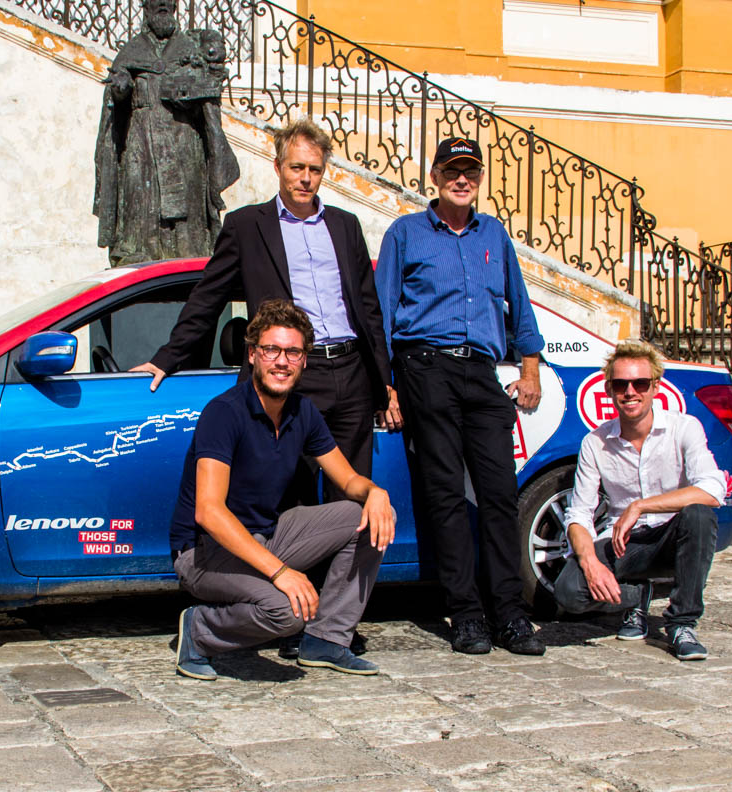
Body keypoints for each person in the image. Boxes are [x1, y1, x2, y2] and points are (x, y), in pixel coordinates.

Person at [133, 117, 395, 494]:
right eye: (297, 168)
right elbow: (209, 295)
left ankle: (345, 556)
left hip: (352, 373)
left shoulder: (345, 225)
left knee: (353, 497)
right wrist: (168, 356)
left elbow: (369, 309)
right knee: (291, 496)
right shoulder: (246, 226)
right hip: (294, 372)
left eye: (315, 169)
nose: (306, 178)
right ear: (277, 167)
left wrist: (382, 381)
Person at [375, 136, 546, 656]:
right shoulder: (406, 233)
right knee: (445, 494)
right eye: (453, 170)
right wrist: (385, 384)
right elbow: (380, 311)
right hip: (425, 367)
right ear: (435, 176)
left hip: (483, 372)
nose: (462, 178)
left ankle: (510, 614)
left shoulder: (493, 233)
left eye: (470, 170)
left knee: (499, 495)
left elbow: (519, 303)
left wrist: (531, 366)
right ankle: (467, 614)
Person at [170, 300, 394, 680]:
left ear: (305, 361)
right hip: (204, 552)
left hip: (266, 537)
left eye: (293, 352)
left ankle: (327, 639)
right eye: (271, 350)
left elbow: (348, 480)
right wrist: (280, 573)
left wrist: (376, 493)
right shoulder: (224, 412)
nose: (282, 361)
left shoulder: (302, 411)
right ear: (254, 355)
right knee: (289, 611)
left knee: (365, 515)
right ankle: (199, 631)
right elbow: (208, 511)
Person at [554, 341, 725, 660]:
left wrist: (640, 506)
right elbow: (578, 514)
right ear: (609, 389)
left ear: (655, 387)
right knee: (569, 593)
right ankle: (635, 596)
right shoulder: (596, 442)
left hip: (670, 540)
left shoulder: (683, 428)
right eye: (621, 384)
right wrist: (591, 564)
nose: (630, 392)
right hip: (624, 545)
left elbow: (713, 489)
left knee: (700, 514)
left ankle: (681, 623)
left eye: (640, 383)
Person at [93, 0, 239, 265]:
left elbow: (209, 94)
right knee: (140, 207)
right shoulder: (131, 51)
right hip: (141, 145)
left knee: (188, 221)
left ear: (175, 5)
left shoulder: (191, 49)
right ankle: (136, 262)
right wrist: (120, 90)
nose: (162, 4)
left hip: (184, 143)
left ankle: (189, 264)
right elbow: (115, 104)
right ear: (145, 6)